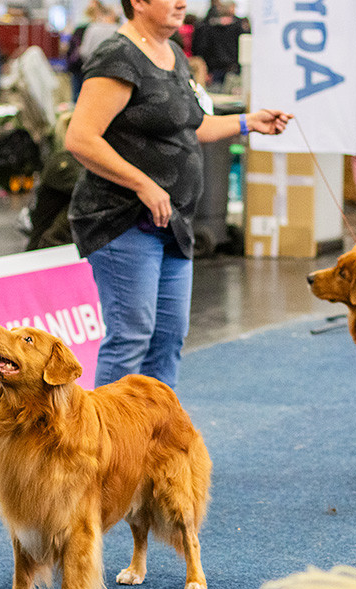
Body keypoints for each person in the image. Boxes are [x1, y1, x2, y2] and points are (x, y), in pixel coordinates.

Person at [65, 0, 291, 390]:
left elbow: (191, 126)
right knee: (130, 339)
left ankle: (155, 438)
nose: (182, 2)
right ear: (137, 2)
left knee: (168, 339)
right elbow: (80, 139)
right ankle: (105, 446)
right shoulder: (118, 56)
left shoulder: (173, 53)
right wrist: (143, 183)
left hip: (173, 225)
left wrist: (246, 122)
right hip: (122, 221)